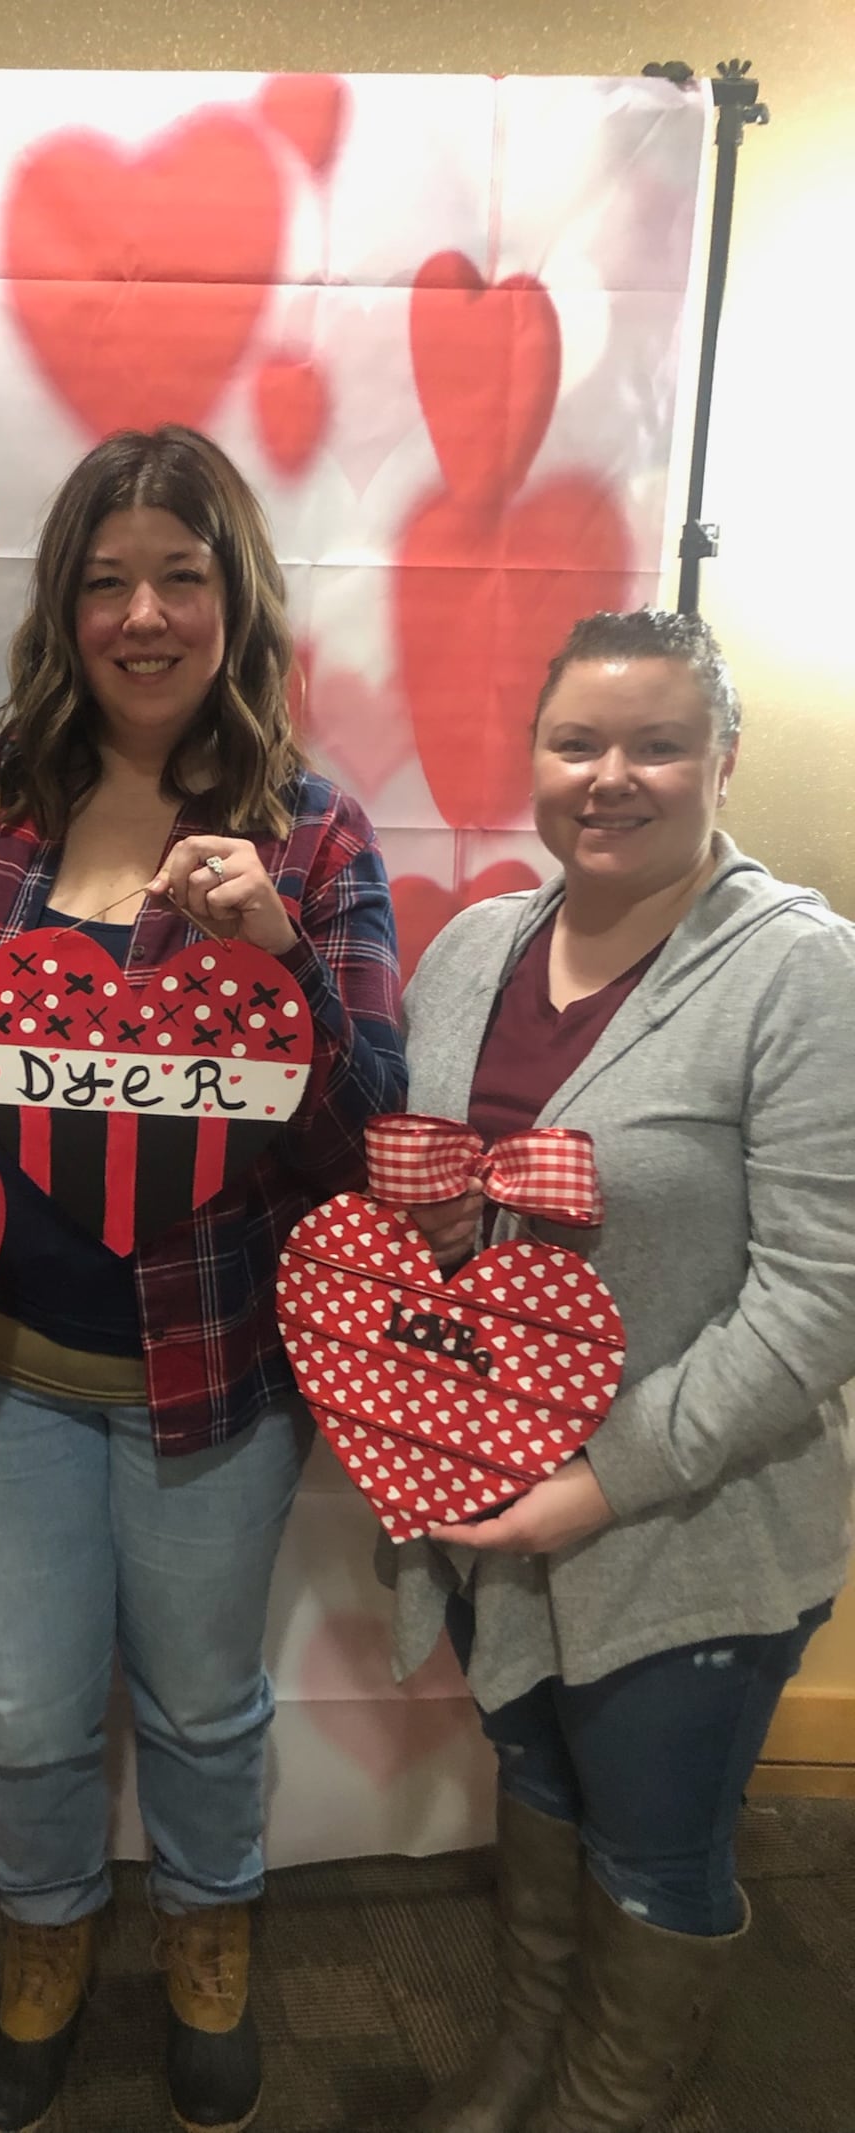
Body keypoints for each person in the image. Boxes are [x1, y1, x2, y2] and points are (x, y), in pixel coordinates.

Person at [0, 425, 406, 2133]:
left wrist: (276, 946)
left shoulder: (318, 831)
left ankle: (213, 1934)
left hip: (213, 1379)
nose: (143, 611)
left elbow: (366, 1138)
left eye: (180, 574)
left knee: (203, 1702)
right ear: (65, 603)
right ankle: (45, 1940)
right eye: (108, 576)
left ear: (234, 596)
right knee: (18, 1705)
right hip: (3, 1367)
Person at [392, 610, 855, 2133]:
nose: (613, 775)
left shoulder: (799, 977)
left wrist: (602, 1482)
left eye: (657, 742)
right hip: (497, 1509)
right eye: (578, 740)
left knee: (654, 1851)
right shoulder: (475, 949)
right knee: (542, 1794)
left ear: (724, 758)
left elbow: (821, 1298)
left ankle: (606, 2106)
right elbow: (461, 1208)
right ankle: (527, 2059)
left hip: (687, 1529)